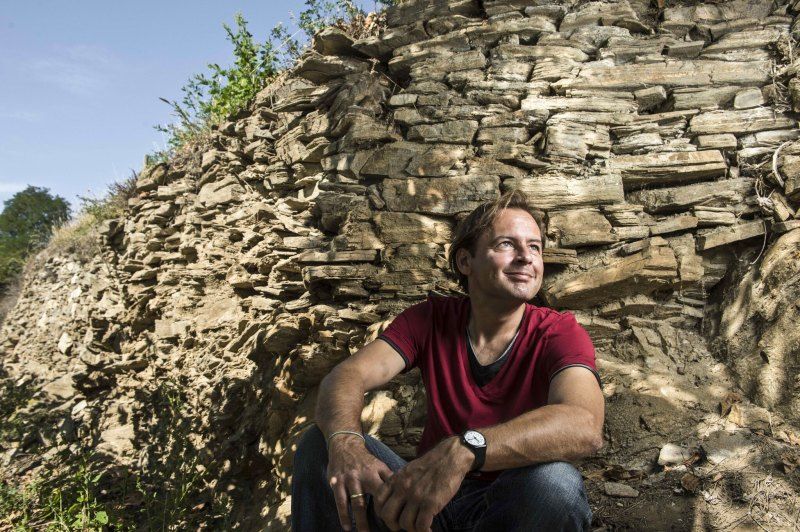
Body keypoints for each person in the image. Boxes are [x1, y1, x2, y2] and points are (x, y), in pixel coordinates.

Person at [292, 190, 605, 532]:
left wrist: (466, 449)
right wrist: (346, 444)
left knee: (555, 484)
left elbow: (584, 424)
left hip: (509, 508)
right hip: (424, 506)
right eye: (506, 244)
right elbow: (346, 376)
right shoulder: (430, 320)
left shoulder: (558, 331)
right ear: (465, 262)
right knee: (318, 447)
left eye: (534, 247)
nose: (526, 258)